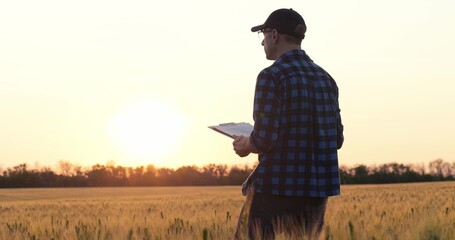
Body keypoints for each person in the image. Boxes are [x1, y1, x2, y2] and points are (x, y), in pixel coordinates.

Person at [232, 8, 344, 240]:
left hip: (275, 188)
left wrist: (246, 143)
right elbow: (337, 139)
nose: (262, 43)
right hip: (316, 192)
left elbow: (264, 139)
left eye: (262, 35)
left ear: (274, 35)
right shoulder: (327, 80)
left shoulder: (271, 76)